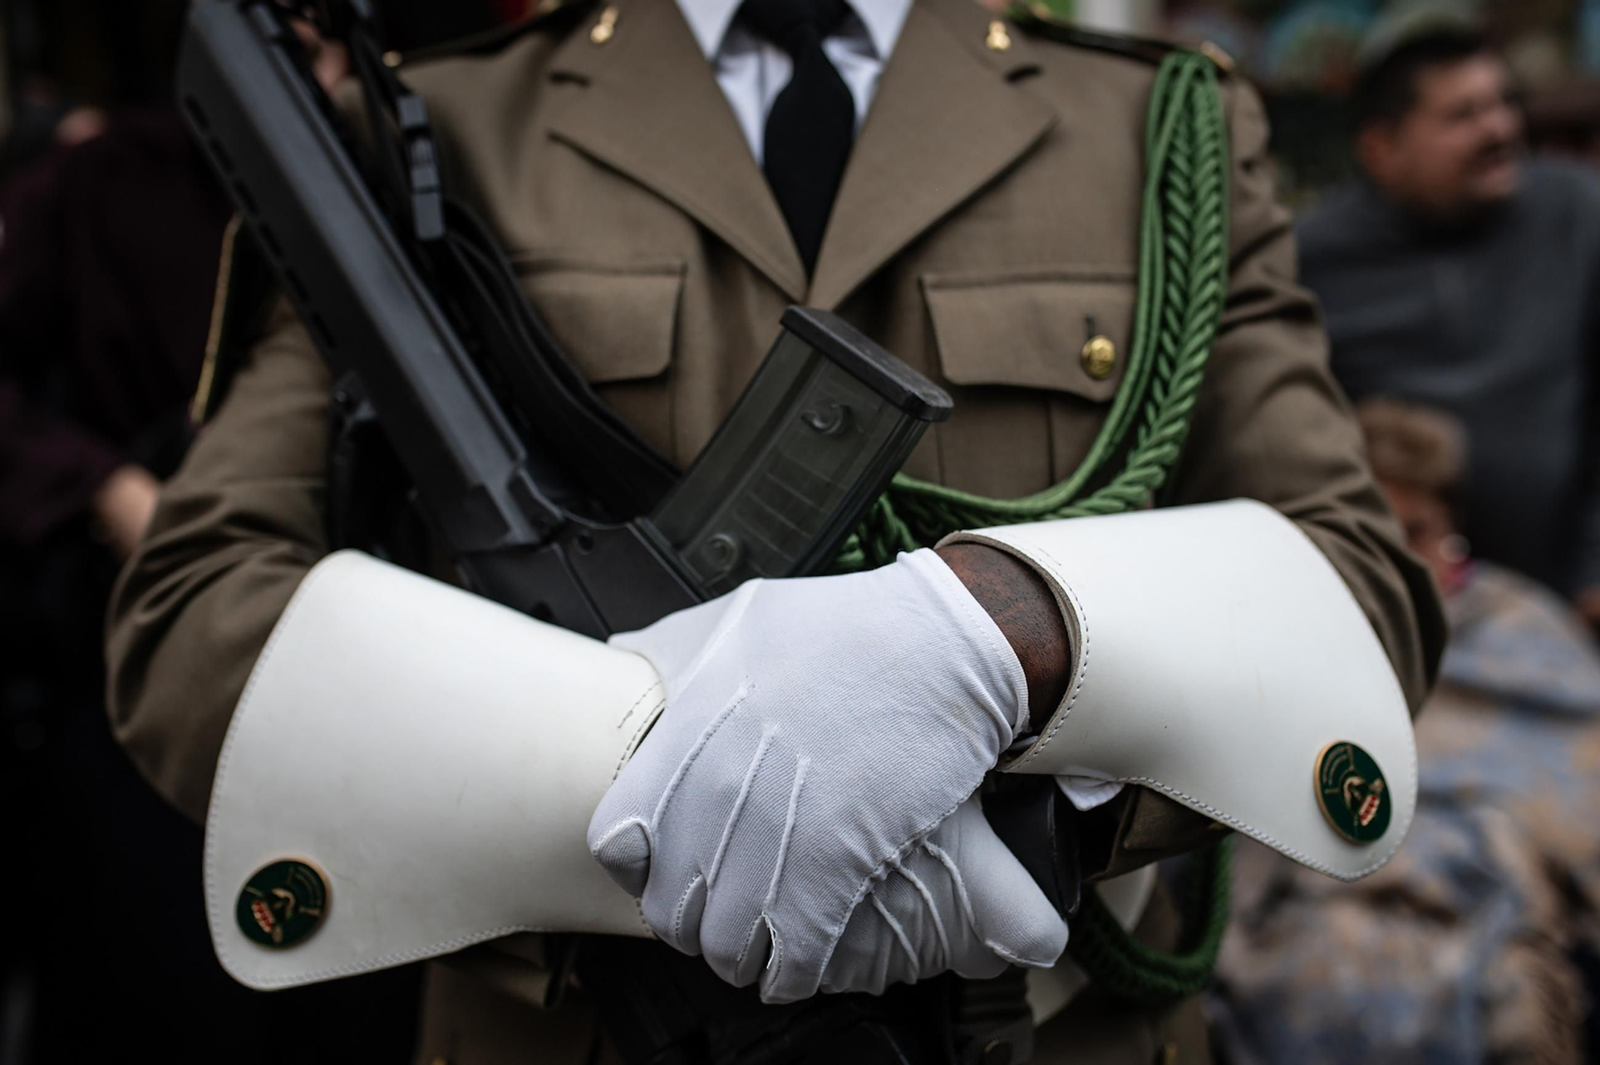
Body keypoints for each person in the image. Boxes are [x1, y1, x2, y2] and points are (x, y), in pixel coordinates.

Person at [104, 1, 1444, 1063]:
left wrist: (1008, 640)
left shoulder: (1158, 126)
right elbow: (197, 619)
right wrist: (676, 777)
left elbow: (1353, 578)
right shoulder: (437, 128)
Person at [1210, 397, 1600, 1065]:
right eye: (1373, 540)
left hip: (1494, 943)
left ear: (1450, 528)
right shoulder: (1270, 644)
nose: (1399, 569)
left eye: (1416, 532)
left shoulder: (1523, 637)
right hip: (1298, 950)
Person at [1295, 12, 1600, 628]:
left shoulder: (1575, 214)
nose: (1500, 128)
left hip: (1570, 598)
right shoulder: (1313, 257)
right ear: (1381, 149)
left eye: (1503, 104)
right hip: (1395, 605)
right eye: (1462, 116)